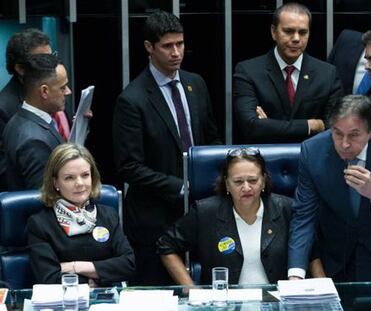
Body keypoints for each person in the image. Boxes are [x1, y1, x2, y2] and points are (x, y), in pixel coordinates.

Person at [112, 10, 221, 285]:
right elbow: (129, 166)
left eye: (180, 44)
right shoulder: (132, 99)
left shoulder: (196, 83)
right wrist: (181, 187)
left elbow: (211, 139)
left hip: (202, 210)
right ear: (149, 47)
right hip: (155, 218)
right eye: (167, 46)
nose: (176, 52)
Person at [288, 95, 371, 282]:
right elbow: (304, 216)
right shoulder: (312, 150)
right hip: (336, 259)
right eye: (337, 133)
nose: (344, 144)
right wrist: (296, 273)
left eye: (354, 135)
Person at [157, 148, 324, 285]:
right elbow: (166, 245)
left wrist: (324, 291)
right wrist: (189, 288)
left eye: (253, 180)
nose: (246, 187)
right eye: (238, 182)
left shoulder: (287, 209)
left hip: (276, 302)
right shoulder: (205, 212)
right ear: (227, 183)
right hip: (226, 305)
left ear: (264, 181)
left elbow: (311, 252)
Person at [233, 2, 343, 144]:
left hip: (312, 159)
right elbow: (252, 127)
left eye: (303, 32)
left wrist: (269, 125)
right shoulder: (248, 71)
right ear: (274, 32)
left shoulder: (327, 74)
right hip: (264, 160)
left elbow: (335, 128)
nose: (296, 38)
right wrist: (311, 125)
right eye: (289, 31)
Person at [27, 143, 135, 286]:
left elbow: (128, 264)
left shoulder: (108, 215)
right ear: (55, 183)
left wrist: (74, 267)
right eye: (69, 178)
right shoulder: (40, 224)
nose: (79, 183)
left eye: (85, 175)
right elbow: (49, 278)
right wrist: (94, 278)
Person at [0, 28, 73, 191]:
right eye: (63, 88)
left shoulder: (40, 105)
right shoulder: (31, 138)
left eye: (50, 56)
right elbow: (43, 197)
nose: (68, 92)